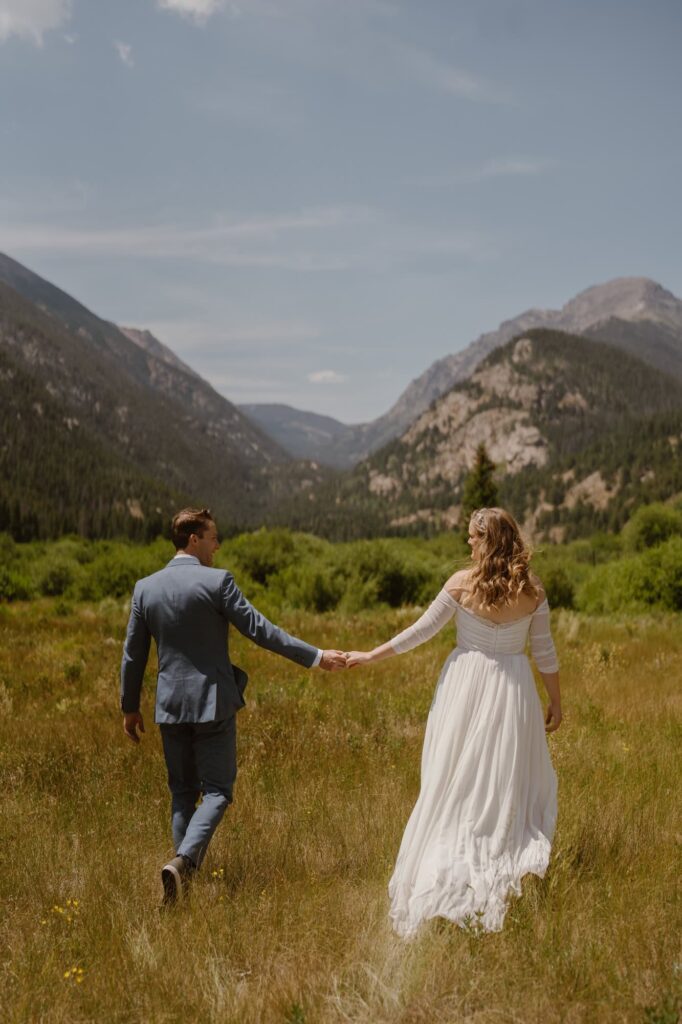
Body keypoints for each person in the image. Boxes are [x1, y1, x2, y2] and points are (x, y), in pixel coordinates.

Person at [346, 507, 562, 936]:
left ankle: (447, 861)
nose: (467, 543)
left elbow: (420, 632)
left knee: (451, 779)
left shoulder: (461, 585)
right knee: (503, 780)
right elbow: (545, 652)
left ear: (488, 540)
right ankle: (496, 849)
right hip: (513, 688)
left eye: (472, 537)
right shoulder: (531, 590)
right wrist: (555, 700)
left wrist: (370, 655)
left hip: (465, 685)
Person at [120, 507, 347, 904]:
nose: (217, 545)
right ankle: (184, 862)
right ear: (193, 540)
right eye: (212, 538)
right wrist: (316, 656)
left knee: (181, 793)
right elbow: (261, 630)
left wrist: (129, 706)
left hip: (169, 706)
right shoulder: (217, 582)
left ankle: (181, 884)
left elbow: (132, 655)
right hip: (213, 704)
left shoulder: (145, 588)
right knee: (218, 791)